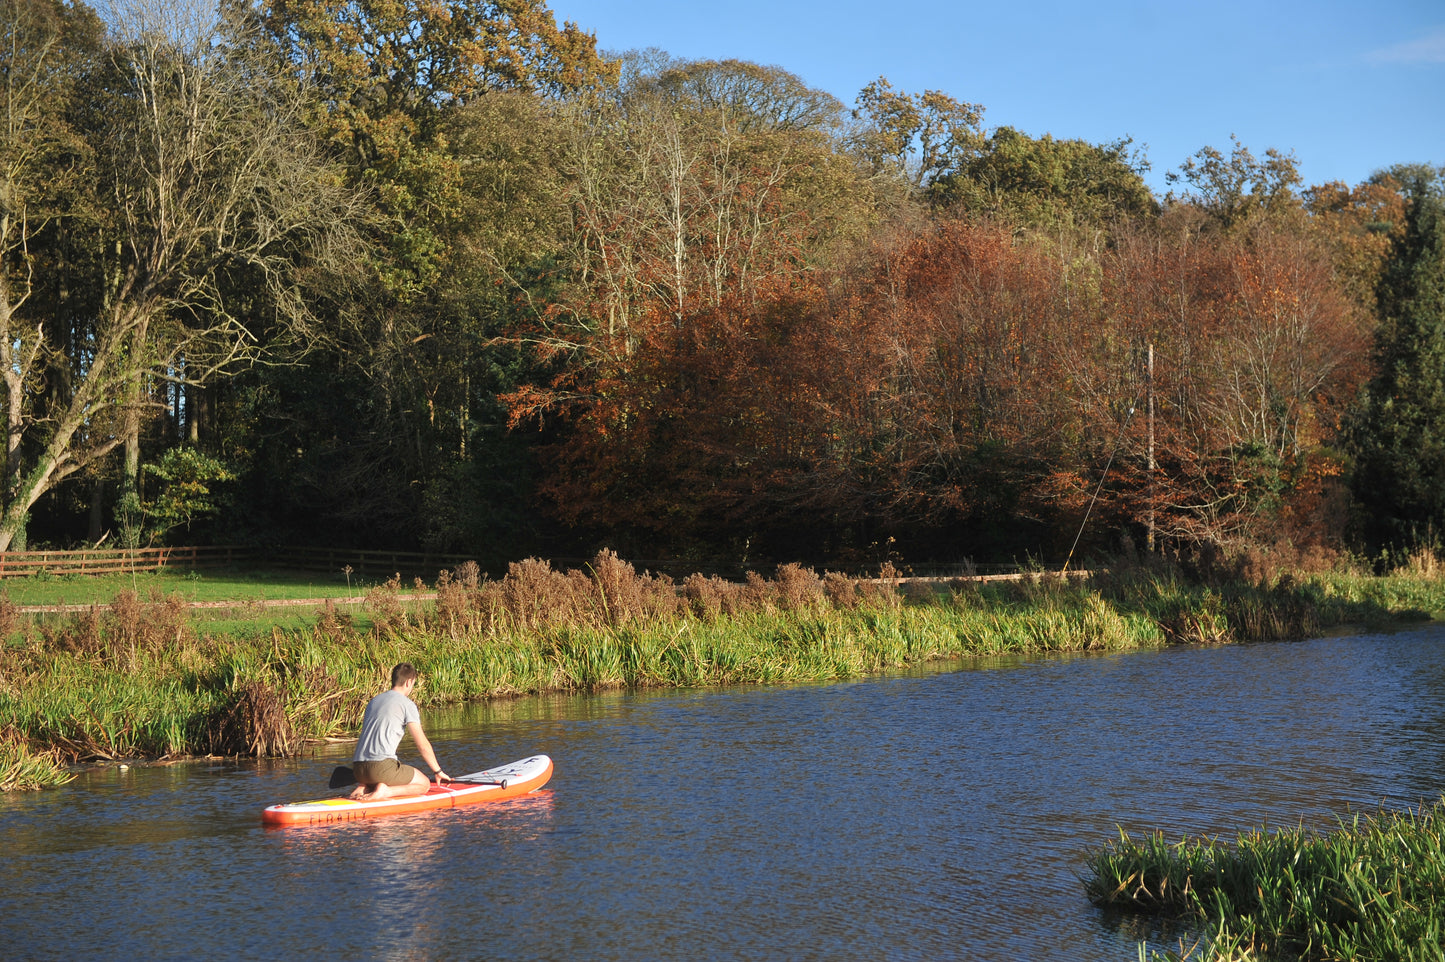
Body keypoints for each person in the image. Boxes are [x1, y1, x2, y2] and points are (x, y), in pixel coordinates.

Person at [349, 663, 451, 801]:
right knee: (424, 783)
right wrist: (437, 771)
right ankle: (385, 791)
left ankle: (364, 786)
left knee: (382, 770)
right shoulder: (407, 704)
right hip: (380, 768)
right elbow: (422, 744)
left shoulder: (373, 701)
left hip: (358, 769)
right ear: (409, 682)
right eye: (413, 684)